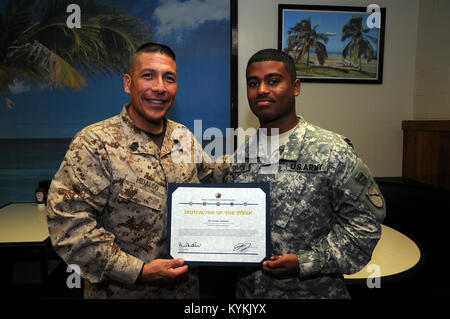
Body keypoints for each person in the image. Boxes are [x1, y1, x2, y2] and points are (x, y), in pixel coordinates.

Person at [47, 42, 225, 298]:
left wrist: (264, 152)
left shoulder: (183, 137)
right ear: (128, 83)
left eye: (169, 78)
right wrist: (138, 271)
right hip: (121, 291)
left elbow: (212, 177)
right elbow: (68, 225)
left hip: (184, 292)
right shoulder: (95, 143)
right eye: (148, 76)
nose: (160, 88)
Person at [227, 48, 386, 298]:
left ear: (296, 87)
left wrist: (306, 262)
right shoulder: (241, 155)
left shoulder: (332, 150)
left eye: (274, 81)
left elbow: (365, 227)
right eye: (253, 83)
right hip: (250, 295)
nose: (262, 90)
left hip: (312, 291)